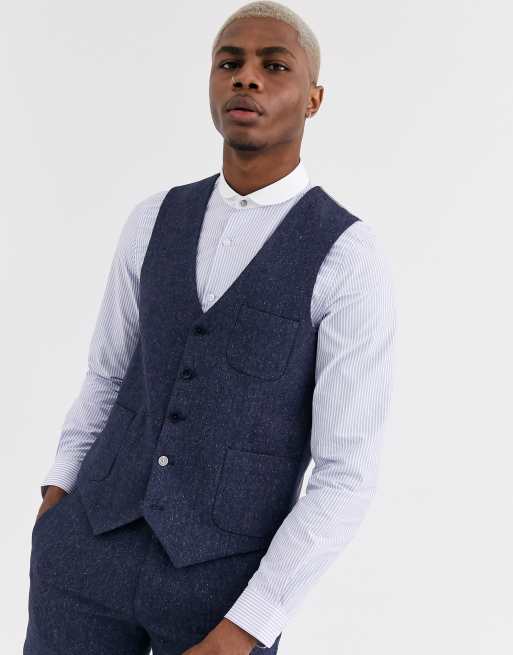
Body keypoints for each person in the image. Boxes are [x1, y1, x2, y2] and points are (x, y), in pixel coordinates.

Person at [23, 2, 397, 653]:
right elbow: (106, 376)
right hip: (86, 555)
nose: (246, 77)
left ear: (313, 99)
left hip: (221, 591)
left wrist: (248, 624)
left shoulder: (347, 256)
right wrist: (57, 500)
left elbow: (346, 473)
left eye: (273, 65)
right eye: (229, 63)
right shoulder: (152, 219)